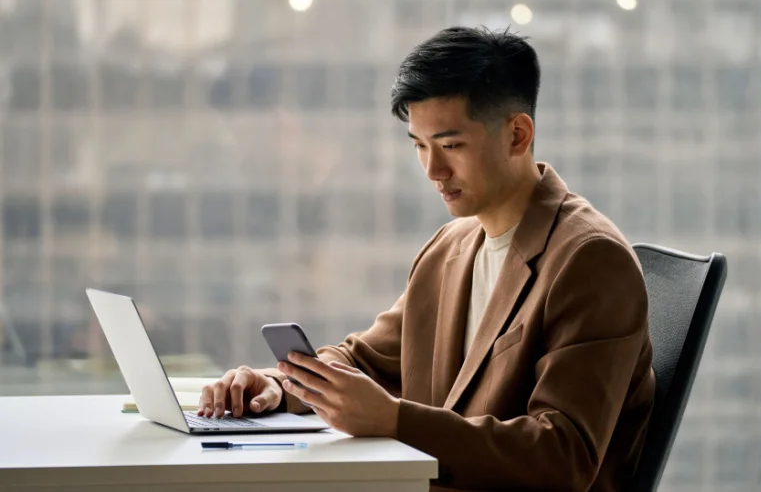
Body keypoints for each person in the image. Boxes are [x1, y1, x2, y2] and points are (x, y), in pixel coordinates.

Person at [198, 26, 655, 492]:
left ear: (517, 134)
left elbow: (564, 455)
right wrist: (280, 386)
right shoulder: (450, 247)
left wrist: (395, 421)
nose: (433, 171)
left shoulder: (590, 259)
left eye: (451, 145)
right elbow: (367, 360)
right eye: (419, 145)